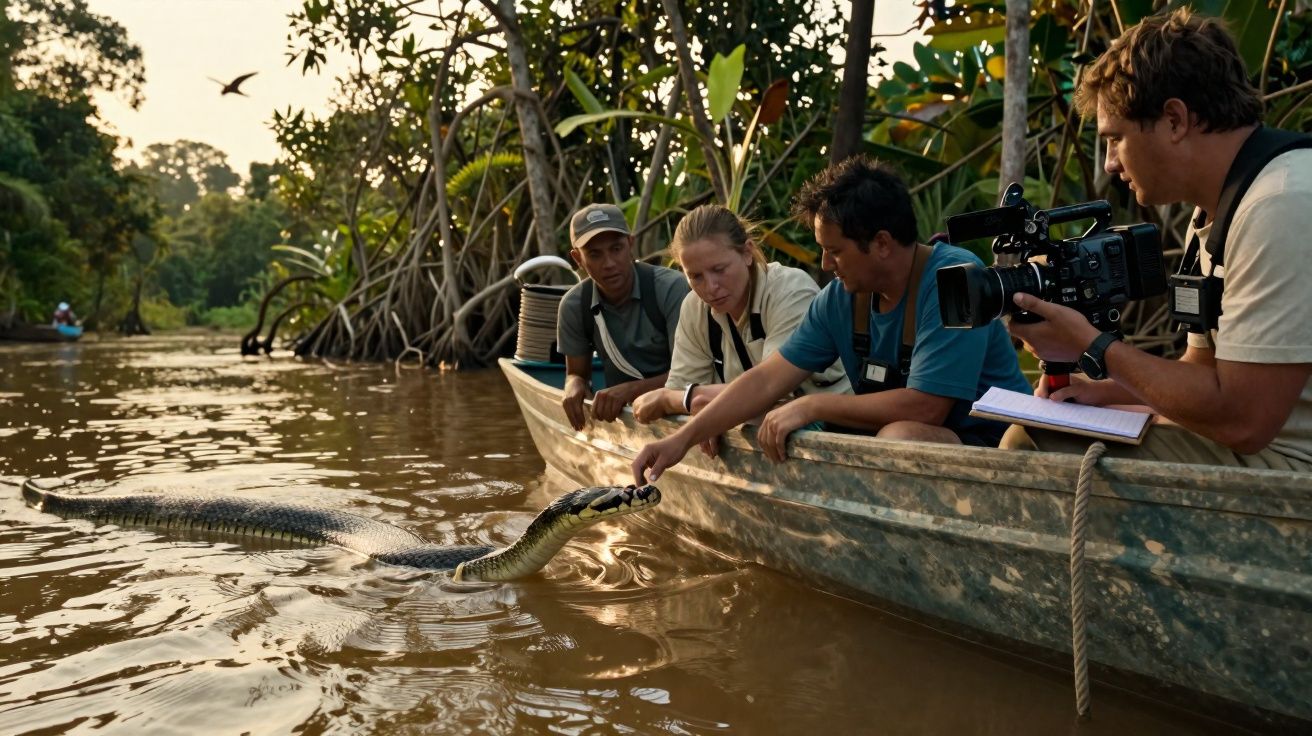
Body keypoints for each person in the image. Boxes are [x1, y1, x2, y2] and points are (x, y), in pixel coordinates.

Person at [1002, 9, 1312, 473]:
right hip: (1261, 447)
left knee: (1033, 440)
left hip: (1290, 467)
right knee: (1056, 419)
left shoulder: (1280, 205)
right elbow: (1202, 371)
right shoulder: (1219, 209)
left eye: (1115, 139)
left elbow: (1244, 421)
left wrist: (1092, 344)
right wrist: (1099, 391)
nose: (1109, 164)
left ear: (1174, 119)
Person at [632, 156, 1031, 484]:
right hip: (910, 443)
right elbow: (768, 379)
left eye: (834, 251)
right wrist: (682, 440)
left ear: (881, 244)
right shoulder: (840, 298)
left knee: (899, 436)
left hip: (997, 453)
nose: (825, 264)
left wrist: (812, 405)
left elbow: (926, 409)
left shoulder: (954, 280)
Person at [631, 204, 850, 428]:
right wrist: (708, 414)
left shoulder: (790, 290)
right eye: (696, 276)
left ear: (747, 252)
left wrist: (682, 401)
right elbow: (682, 388)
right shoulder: (695, 308)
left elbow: (767, 393)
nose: (711, 287)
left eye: (719, 269)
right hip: (765, 430)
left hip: (835, 430)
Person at [556, 203, 689, 431]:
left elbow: (690, 376)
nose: (609, 264)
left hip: (681, 407)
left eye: (616, 249)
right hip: (624, 418)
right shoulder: (574, 305)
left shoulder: (670, 289)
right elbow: (577, 373)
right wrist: (573, 386)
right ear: (578, 258)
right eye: (594, 254)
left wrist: (629, 390)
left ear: (630, 244)